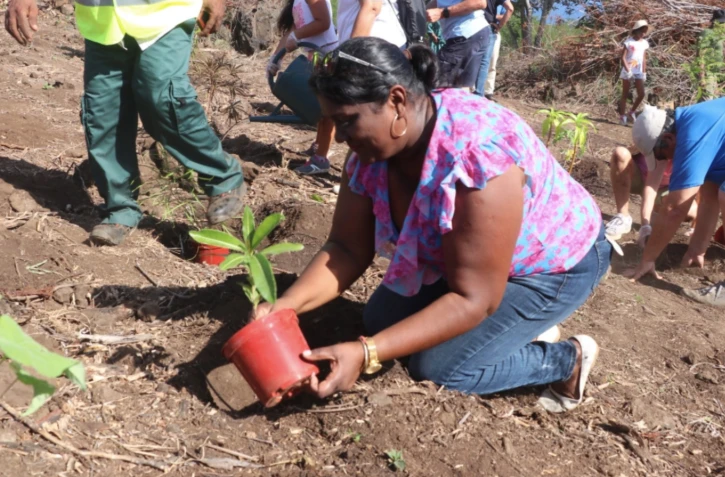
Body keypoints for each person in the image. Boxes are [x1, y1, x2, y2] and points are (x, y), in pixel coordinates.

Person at [254, 37, 612, 412]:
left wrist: (366, 353)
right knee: (380, 320)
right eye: (333, 122)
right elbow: (346, 248)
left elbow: (474, 298)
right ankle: (514, 328)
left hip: (552, 267)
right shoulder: (371, 154)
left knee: (441, 366)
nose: (340, 137)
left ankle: (565, 361)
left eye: (347, 121)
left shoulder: (476, 155)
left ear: (396, 101)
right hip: (471, 261)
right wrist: (286, 306)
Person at [5, 0, 247, 246]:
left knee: (162, 98)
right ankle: (121, 207)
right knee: (103, 113)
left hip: (165, 13)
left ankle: (222, 177)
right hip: (102, 20)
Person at [626, 101, 725, 300]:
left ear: (669, 138)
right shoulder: (696, 123)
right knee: (718, 190)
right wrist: (697, 250)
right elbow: (709, 197)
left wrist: (647, 260)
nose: (667, 161)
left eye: (662, 155)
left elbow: (675, 208)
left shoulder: (693, 134)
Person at [269, 0, 339, 175]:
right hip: (315, 54)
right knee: (320, 107)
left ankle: (321, 160)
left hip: (326, 55)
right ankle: (318, 148)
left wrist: (297, 37)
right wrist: (276, 58)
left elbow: (323, 22)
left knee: (326, 111)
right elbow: (293, 29)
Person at [604, 144, 698, 244]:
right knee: (621, 153)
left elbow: (699, 187)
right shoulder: (658, 142)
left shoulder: (694, 152)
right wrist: (645, 226)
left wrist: (695, 228)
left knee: (691, 210)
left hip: (664, 189)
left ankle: (656, 211)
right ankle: (623, 217)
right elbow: (651, 186)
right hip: (638, 177)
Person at [426, 0, 490, 89]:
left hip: (465, 34)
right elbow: (436, 3)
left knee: (436, 82)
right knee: (462, 87)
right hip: (476, 34)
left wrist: (443, 13)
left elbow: (479, 2)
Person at [473, 0, 513, 100]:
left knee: (481, 61)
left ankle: (485, 91)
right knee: (485, 62)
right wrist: (499, 25)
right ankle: (478, 93)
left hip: (475, 27)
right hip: (489, 28)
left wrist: (499, 25)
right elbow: (510, 8)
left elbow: (507, 11)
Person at [618, 20, 650, 126]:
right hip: (629, 70)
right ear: (636, 31)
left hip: (639, 71)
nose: (643, 33)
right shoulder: (629, 42)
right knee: (625, 94)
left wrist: (644, 72)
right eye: (642, 31)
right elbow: (623, 57)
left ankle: (631, 112)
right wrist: (628, 70)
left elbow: (644, 59)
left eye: (645, 31)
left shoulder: (644, 43)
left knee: (642, 94)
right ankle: (622, 116)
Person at [693, 9, 725, 102]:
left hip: (714, 74)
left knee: (714, 102)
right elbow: (700, 55)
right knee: (706, 101)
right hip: (707, 73)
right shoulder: (707, 33)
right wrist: (702, 77)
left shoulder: (718, 36)